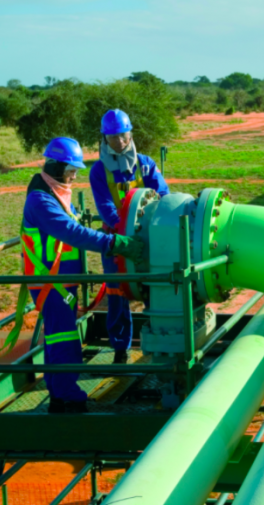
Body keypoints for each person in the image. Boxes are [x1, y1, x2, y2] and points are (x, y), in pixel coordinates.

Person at [22, 137, 145, 413]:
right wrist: (114, 243)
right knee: (64, 340)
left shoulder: (55, 194)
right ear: (56, 167)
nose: (74, 175)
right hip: (51, 284)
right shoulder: (41, 201)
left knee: (58, 338)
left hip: (61, 283)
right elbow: (73, 233)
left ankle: (58, 395)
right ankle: (69, 397)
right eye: (70, 170)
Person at [89, 109, 170, 365]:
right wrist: (125, 234)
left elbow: (163, 195)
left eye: (123, 136)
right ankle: (120, 349)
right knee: (117, 293)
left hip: (150, 239)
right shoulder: (99, 171)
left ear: (130, 133)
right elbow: (105, 208)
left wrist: (151, 230)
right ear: (104, 138)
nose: (120, 142)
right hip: (116, 241)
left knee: (155, 287)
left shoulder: (145, 164)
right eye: (113, 138)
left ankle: (160, 342)